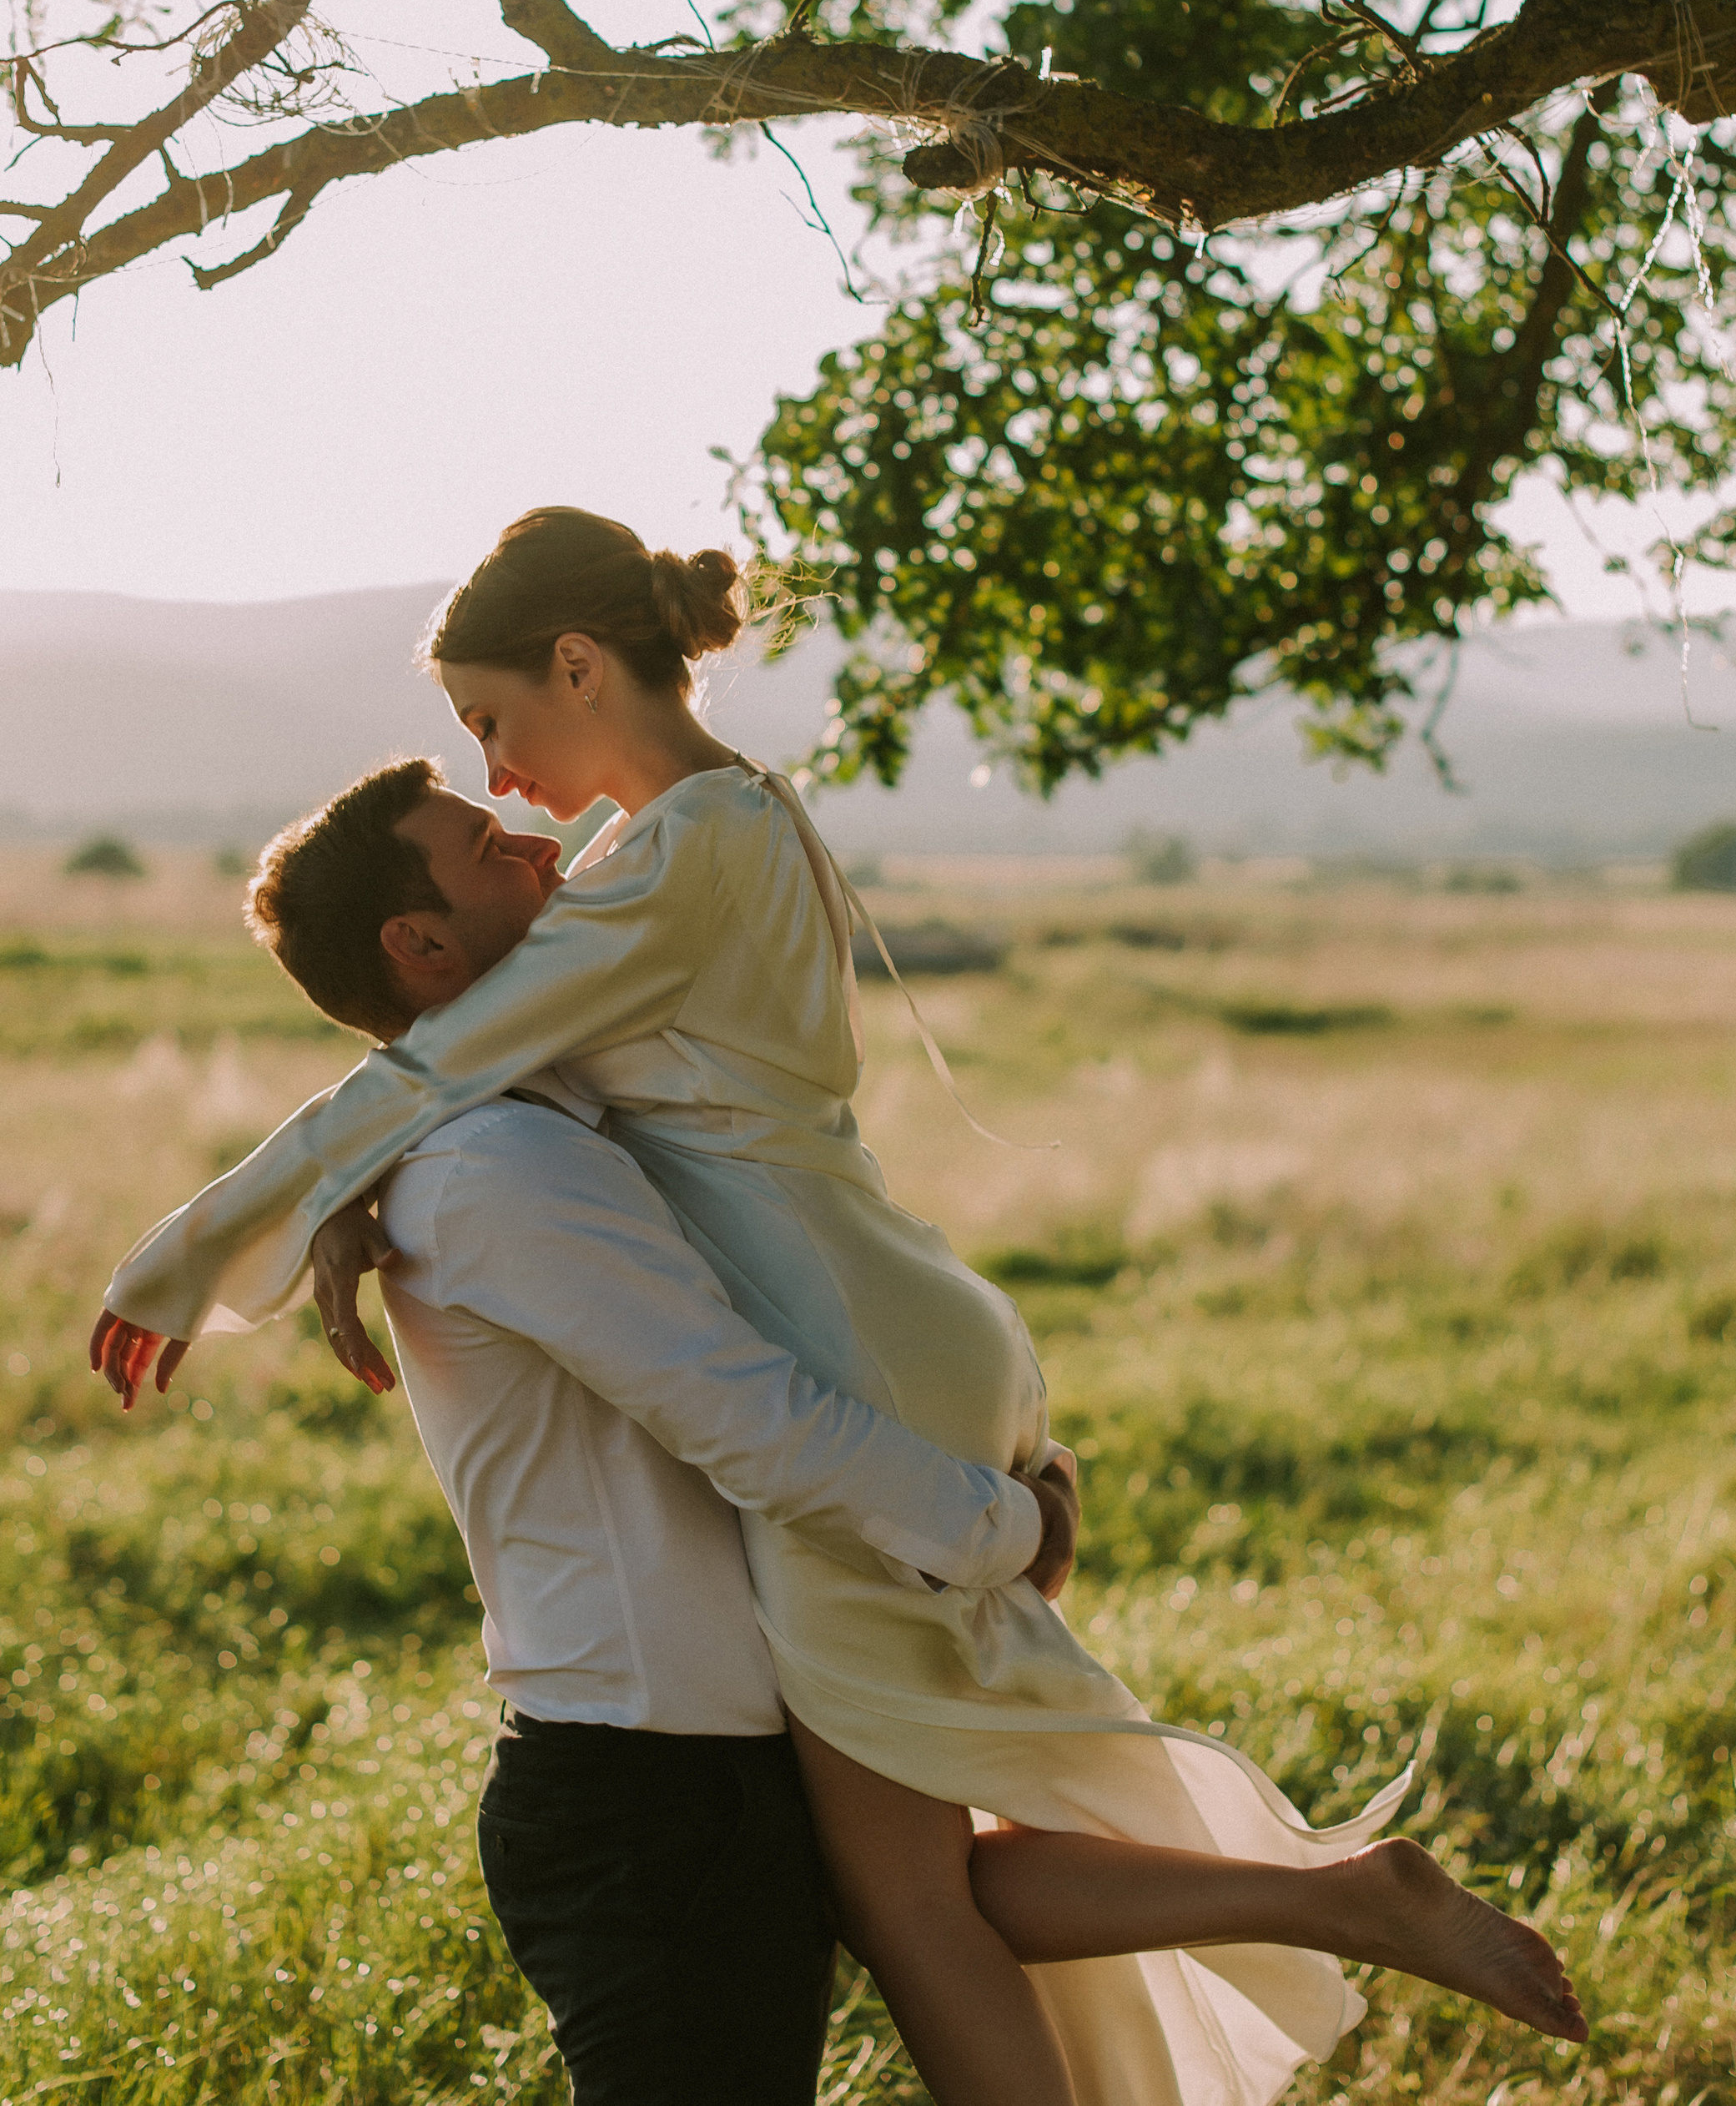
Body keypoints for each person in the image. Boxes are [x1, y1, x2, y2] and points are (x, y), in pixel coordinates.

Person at [94, 507, 1587, 2106]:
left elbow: (446, 1057)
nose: (508, 783)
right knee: (904, 1874)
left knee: (907, 1900)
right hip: (895, 1302)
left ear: (580, 664)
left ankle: (1343, 1896)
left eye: (494, 725)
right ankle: (1334, 1896)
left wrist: (197, 1252)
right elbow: (477, 1067)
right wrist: (355, 1198)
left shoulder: (667, 858)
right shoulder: (697, 834)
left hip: (841, 1339)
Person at [116, 756, 1073, 2105]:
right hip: (651, 1804)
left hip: (707, 1777)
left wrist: (348, 1187)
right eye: (483, 837)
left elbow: (410, 1095)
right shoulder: (504, 1170)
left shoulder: (533, 1127)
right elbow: (755, 1423)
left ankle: (1347, 1906)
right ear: (424, 945)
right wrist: (1009, 1529)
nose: (536, 834)